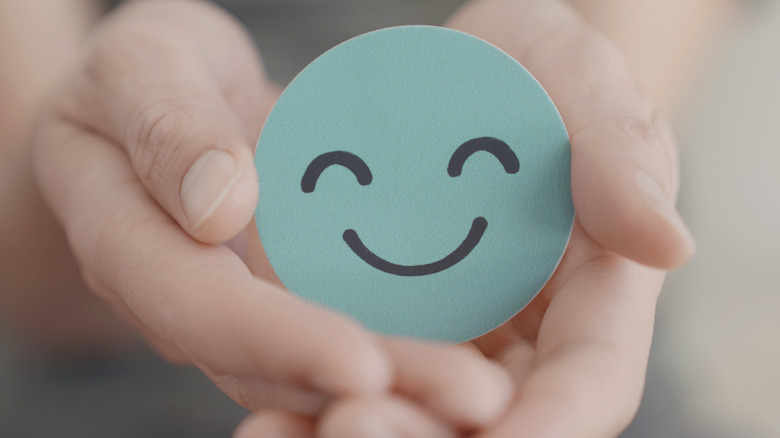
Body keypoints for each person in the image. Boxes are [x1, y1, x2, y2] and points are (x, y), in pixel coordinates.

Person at [1, 0, 739, 436]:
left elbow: (616, 65)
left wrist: (592, 88)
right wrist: (107, 151)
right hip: (111, 397)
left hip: (563, 346)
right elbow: (28, 263)